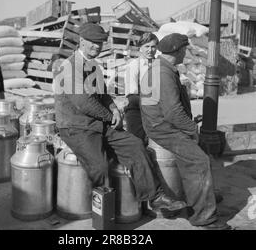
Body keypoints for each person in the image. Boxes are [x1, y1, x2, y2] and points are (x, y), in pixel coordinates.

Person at [53, 22, 186, 212]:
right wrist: (109, 116)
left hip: (97, 124)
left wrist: (114, 109)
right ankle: (101, 213)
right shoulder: (69, 67)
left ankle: (154, 197)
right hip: (76, 127)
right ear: (81, 41)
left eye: (100, 43)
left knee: (135, 145)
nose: (96, 47)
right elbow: (83, 102)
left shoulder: (94, 67)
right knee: (99, 167)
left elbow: (104, 95)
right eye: (92, 43)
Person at [140, 33, 231, 230]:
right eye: (185, 50)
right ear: (178, 51)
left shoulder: (160, 67)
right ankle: (204, 218)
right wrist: (192, 130)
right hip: (163, 128)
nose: (186, 53)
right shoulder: (163, 73)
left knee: (199, 155)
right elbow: (173, 113)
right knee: (199, 160)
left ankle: (202, 198)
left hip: (161, 124)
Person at [124, 32, 159, 143]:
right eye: (147, 46)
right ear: (140, 48)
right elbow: (132, 96)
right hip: (136, 110)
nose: (150, 50)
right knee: (138, 142)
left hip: (156, 111)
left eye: (153, 47)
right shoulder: (133, 66)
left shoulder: (159, 65)